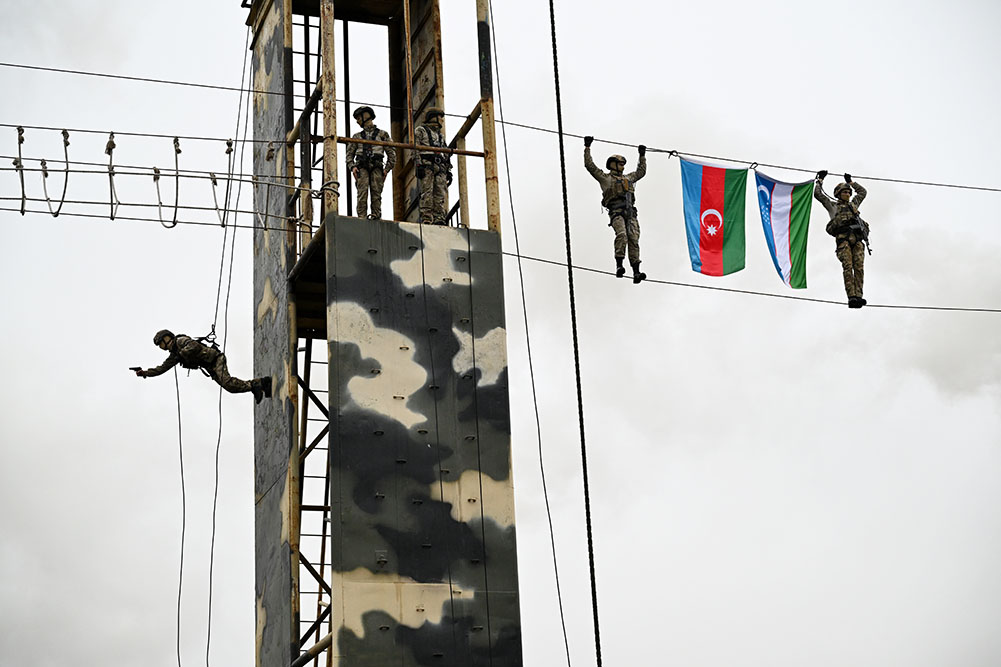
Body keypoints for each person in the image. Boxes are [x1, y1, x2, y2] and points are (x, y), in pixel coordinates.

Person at [134, 329, 272, 403]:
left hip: (216, 359)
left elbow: (193, 345)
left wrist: (181, 354)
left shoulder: (180, 341)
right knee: (230, 387)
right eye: (160, 346)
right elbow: (161, 369)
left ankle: (258, 384)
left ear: (167, 337)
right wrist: (145, 373)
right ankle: (259, 385)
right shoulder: (174, 355)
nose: (162, 347)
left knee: (227, 382)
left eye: (162, 343)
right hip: (211, 368)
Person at [583, 136, 648, 283]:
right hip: (617, 214)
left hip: (630, 214)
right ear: (613, 165)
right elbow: (590, 166)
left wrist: (642, 156)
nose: (623, 167)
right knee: (622, 236)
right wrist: (587, 147)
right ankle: (619, 265)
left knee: (634, 240)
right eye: (620, 164)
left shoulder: (628, 178)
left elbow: (641, 172)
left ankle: (636, 272)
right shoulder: (605, 178)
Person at [814, 170, 869, 308]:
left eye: (849, 192)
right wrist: (820, 180)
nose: (848, 194)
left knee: (859, 268)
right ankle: (851, 297)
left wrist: (851, 182)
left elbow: (862, 192)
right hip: (843, 241)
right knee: (848, 267)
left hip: (857, 241)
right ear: (838, 194)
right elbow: (818, 195)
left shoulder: (853, 205)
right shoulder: (833, 206)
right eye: (845, 192)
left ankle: (859, 296)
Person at [346, 106, 396, 220]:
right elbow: (349, 155)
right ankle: (362, 218)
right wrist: (352, 167)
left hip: (377, 167)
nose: (357, 121)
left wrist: (386, 169)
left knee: (376, 194)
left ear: (365, 117)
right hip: (361, 168)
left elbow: (392, 153)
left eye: (359, 118)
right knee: (362, 194)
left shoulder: (382, 135)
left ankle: (375, 217)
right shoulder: (357, 137)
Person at [414, 107, 451, 225]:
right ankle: (427, 218)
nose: (442, 120)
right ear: (434, 117)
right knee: (427, 192)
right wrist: (418, 164)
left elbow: (445, 153)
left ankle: (439, 218)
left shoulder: (440, 136)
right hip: (427, 166)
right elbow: (415, 149)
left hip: (440, 168)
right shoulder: (420, 131)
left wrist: (448, 170)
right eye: (440, 117)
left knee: (440, 193)